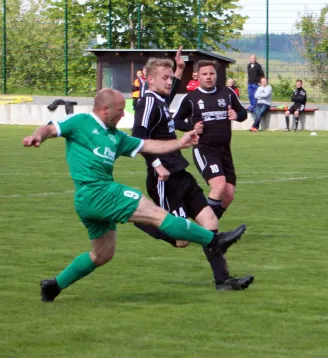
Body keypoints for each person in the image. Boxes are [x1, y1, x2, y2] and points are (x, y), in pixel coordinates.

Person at [22, 88, 247, 302]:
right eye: (120, 110)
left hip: (89, 201)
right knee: (155, 212)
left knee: (102, 255)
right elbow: (49, 129)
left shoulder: (115, 136)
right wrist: (37, 136)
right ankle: (215, 241)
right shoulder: (81, 122)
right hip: (98, 191)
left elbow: (146, 145)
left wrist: (180, 142)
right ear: (104, 109)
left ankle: (54, 286)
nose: (123, 114)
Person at [133, 57, 254, 291]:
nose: (170, 82)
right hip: (164, 178)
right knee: (182, 240)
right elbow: (139, 137)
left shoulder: (159, 99)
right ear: (149, 80)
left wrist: (178, 69)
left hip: (181, 172)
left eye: (170, 78)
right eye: (164, 78)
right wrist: (156, 164)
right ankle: (134, 216)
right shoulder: (148, 102)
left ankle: (224, 281)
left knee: (210, 221)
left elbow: (171, 91)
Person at [174, 60, 248, 221]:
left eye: (211, 73)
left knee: (228, 196)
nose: (208, 77)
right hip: (204, 148)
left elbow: (243, 113)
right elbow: (176, 121)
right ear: (197, 76)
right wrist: (192, 127)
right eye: (204, 74)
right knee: (219, 185)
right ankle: (209, 233)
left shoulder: (227, 93)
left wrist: (237, 115)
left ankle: (206, 225)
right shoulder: (191, 98)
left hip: (224, 150)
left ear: (216, 75)